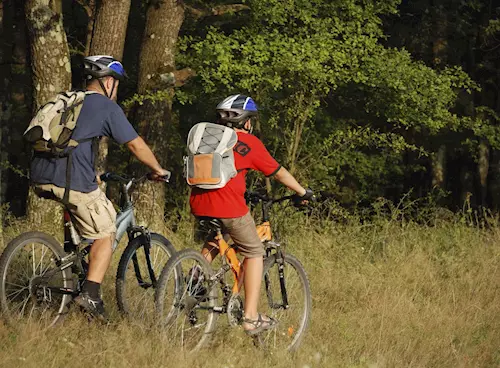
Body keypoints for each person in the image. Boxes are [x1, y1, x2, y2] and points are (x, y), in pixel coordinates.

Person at [30, 55, 170, 320]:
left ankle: (67, 276)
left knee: (81, 223)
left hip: (40, 175)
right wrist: (157, 169)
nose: (115, 89)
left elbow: (70, 141)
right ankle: (91, 294)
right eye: (115, 84)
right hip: (70, 181)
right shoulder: (105, 107)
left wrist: (91, 172)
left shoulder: (69, 100)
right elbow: (135, 145)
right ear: (107, 82)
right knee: (106, 232)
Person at [189, 94, 314, 335]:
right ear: (246, 122)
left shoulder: (209, 138)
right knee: (255, 251)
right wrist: (302, 191)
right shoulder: (248, 142)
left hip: (198, 203)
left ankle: (194, 276)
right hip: (227, 207)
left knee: (218, 237)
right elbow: (278, 172)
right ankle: (250, 317)